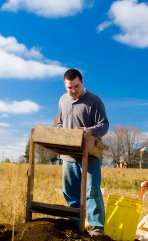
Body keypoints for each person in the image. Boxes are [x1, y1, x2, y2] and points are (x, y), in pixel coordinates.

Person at [56, 68, 109, 237]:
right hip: (68, 155)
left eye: (76, 86)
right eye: (69, 88)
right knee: (70, 192)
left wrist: (88, 130)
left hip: (90, 155)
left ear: (82, 82)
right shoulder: (63, 100)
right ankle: (75, 224)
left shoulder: (94, 100)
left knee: (92, 191)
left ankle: (97, 228)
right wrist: (59, 133)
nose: (73, 91)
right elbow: (60, 123)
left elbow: (104, 125)